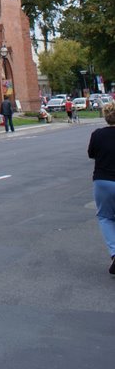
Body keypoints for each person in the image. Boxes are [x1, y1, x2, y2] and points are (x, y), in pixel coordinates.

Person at [87, 100, 115, 276]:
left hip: (103, 181)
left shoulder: (97, 134)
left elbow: (91, 154)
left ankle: (114, 252)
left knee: (105, 217)